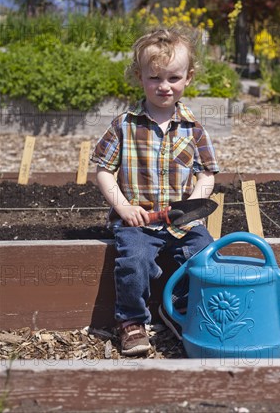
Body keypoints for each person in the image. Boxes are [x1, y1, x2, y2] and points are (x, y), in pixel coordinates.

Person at [90, 28, 219, 356]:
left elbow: (206, 174)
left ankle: (178, 309)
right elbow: (103, 170)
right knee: (134, 259)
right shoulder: (125, 124)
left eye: (173, 77)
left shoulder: (194, 128)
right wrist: (123, 207)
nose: (164, 86)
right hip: (139, 219)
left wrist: (192, 207)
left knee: (204, 254)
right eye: (154, 78)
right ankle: (130, 321)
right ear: (139, 76)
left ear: (188, 78)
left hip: (181, 220)